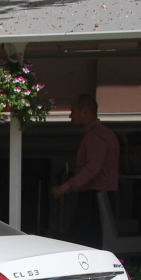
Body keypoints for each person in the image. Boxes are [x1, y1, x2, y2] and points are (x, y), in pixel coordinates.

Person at [51, 94, 120, 249]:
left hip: (95, 198)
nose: (70, 116)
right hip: (97, 196)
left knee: (84, 242)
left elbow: (93, 168)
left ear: (85, 112)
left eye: (73, 111)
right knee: (84, 240)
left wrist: (65, 187)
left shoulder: (96, 136)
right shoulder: (101, 134)